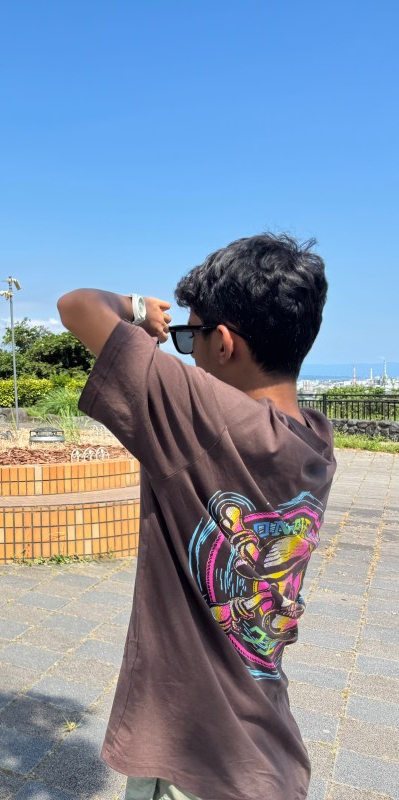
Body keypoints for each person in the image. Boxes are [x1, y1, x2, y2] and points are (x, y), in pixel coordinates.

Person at [57, 234, 334, 800]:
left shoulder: (205, 418)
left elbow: (76, 306)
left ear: (224, 343)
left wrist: (137, 308)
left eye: (190, 337)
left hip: (195, 758)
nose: (185, 351)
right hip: (266, 751)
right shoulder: (315, 440)